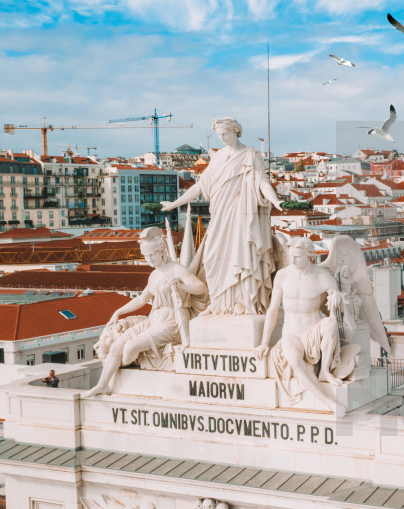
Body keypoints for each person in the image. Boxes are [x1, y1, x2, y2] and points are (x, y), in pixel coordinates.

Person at [161, 117, 281, 316]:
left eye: (225, 133)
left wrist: (276, 201)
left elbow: (261, 181)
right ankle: (220, 302)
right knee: (214, 257)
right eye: (219, 135)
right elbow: (200, 185)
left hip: (243, 216)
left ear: (235, 131)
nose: (222, 138)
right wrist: (175, 204)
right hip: (220, 216)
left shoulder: (251, 155)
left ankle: (245, 303)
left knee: (242, 255)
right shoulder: (217, 157)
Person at [86, 228, 208, 397]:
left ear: (161, 251)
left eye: (151, 255)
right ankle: (103, 385)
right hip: (153, 319)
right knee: (116, 347)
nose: (149, 259)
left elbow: (201, 287)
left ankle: (121, 365)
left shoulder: (177, 270)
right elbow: (142, 300)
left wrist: (181, 286)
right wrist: (117, 312)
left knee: (130, 347)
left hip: (171, 321)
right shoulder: (154, 275)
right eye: (146, 256)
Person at [254, 237, 357, 416]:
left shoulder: (323, 277)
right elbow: (273, 310)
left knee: (330, 324)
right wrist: (264, 342)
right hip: (291, 334)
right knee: (294, 360)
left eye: (298, 257)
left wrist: (337, 298)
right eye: (291, 256)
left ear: (309, 255)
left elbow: (336, 311)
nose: (293, 260)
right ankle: (330, 403)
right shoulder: (282, 275)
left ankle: (325, 370)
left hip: (312, 332)